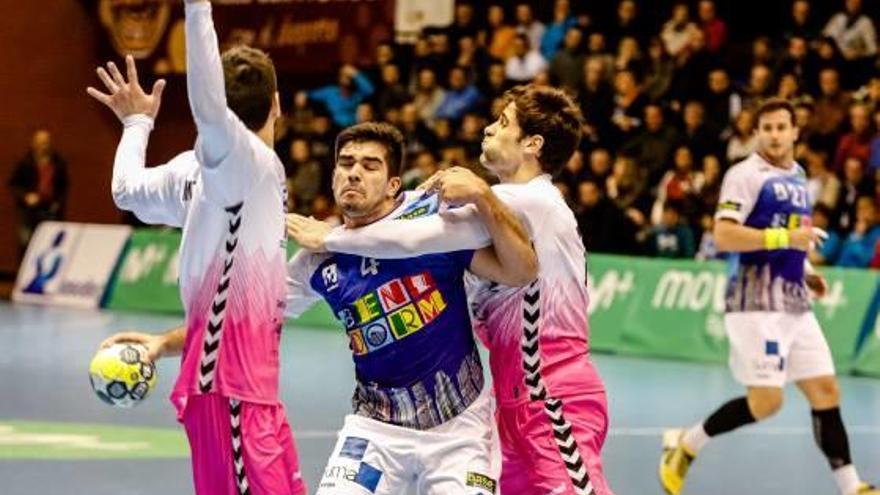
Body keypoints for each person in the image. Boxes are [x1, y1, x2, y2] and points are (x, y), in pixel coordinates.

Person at [289, 85, 615, 495]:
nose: (487, 129)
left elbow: (414, 239)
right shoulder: (499, 205)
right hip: (511, 400)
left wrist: (330, 239)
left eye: (502, 123)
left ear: (532, 144)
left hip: (550, 392)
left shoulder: (530, 200)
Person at [89, 1, 304, 493]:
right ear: (276, 103)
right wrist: (197, 8)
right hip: (232, 394)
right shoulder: (239, 159)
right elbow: (209, 109)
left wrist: (137, 126)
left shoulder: (195, 171)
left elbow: (126, 191)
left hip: (253, 392)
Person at [286, 122, 538, 494]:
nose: (354, 172)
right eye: (345, 163)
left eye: (370, 165)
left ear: (393, 186)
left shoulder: (436, 222)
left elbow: (520, 271)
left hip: (461, 427)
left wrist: (482, 197)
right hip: (374, 427)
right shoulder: (318, 256)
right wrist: (166, 343)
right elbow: (250, 317)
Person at [658, 98, 879, 495]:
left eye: (782, 127)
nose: (775, 135)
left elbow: (791, 235)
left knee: (826, 391)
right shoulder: (743, 175)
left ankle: (853, 487)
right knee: (767, 401)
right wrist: (785, 239)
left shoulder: (798, 176)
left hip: (794, 301)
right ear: (758, 132)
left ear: (796, 132)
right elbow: (724, 234)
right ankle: (685, 445)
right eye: (768, 128)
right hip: (755, 302)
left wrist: (807, 271)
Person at [8, 129, 69, 259]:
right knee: (27, 243)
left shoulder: (58, 163)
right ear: (34, 143)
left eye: (46, 142)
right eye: (41, 143)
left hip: (50, 210)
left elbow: (64, 186)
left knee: (50, 244)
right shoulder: (25, 162)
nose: (44, 146)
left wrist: (58, 202)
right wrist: (25, 196)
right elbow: (14, 184)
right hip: (29, 211)